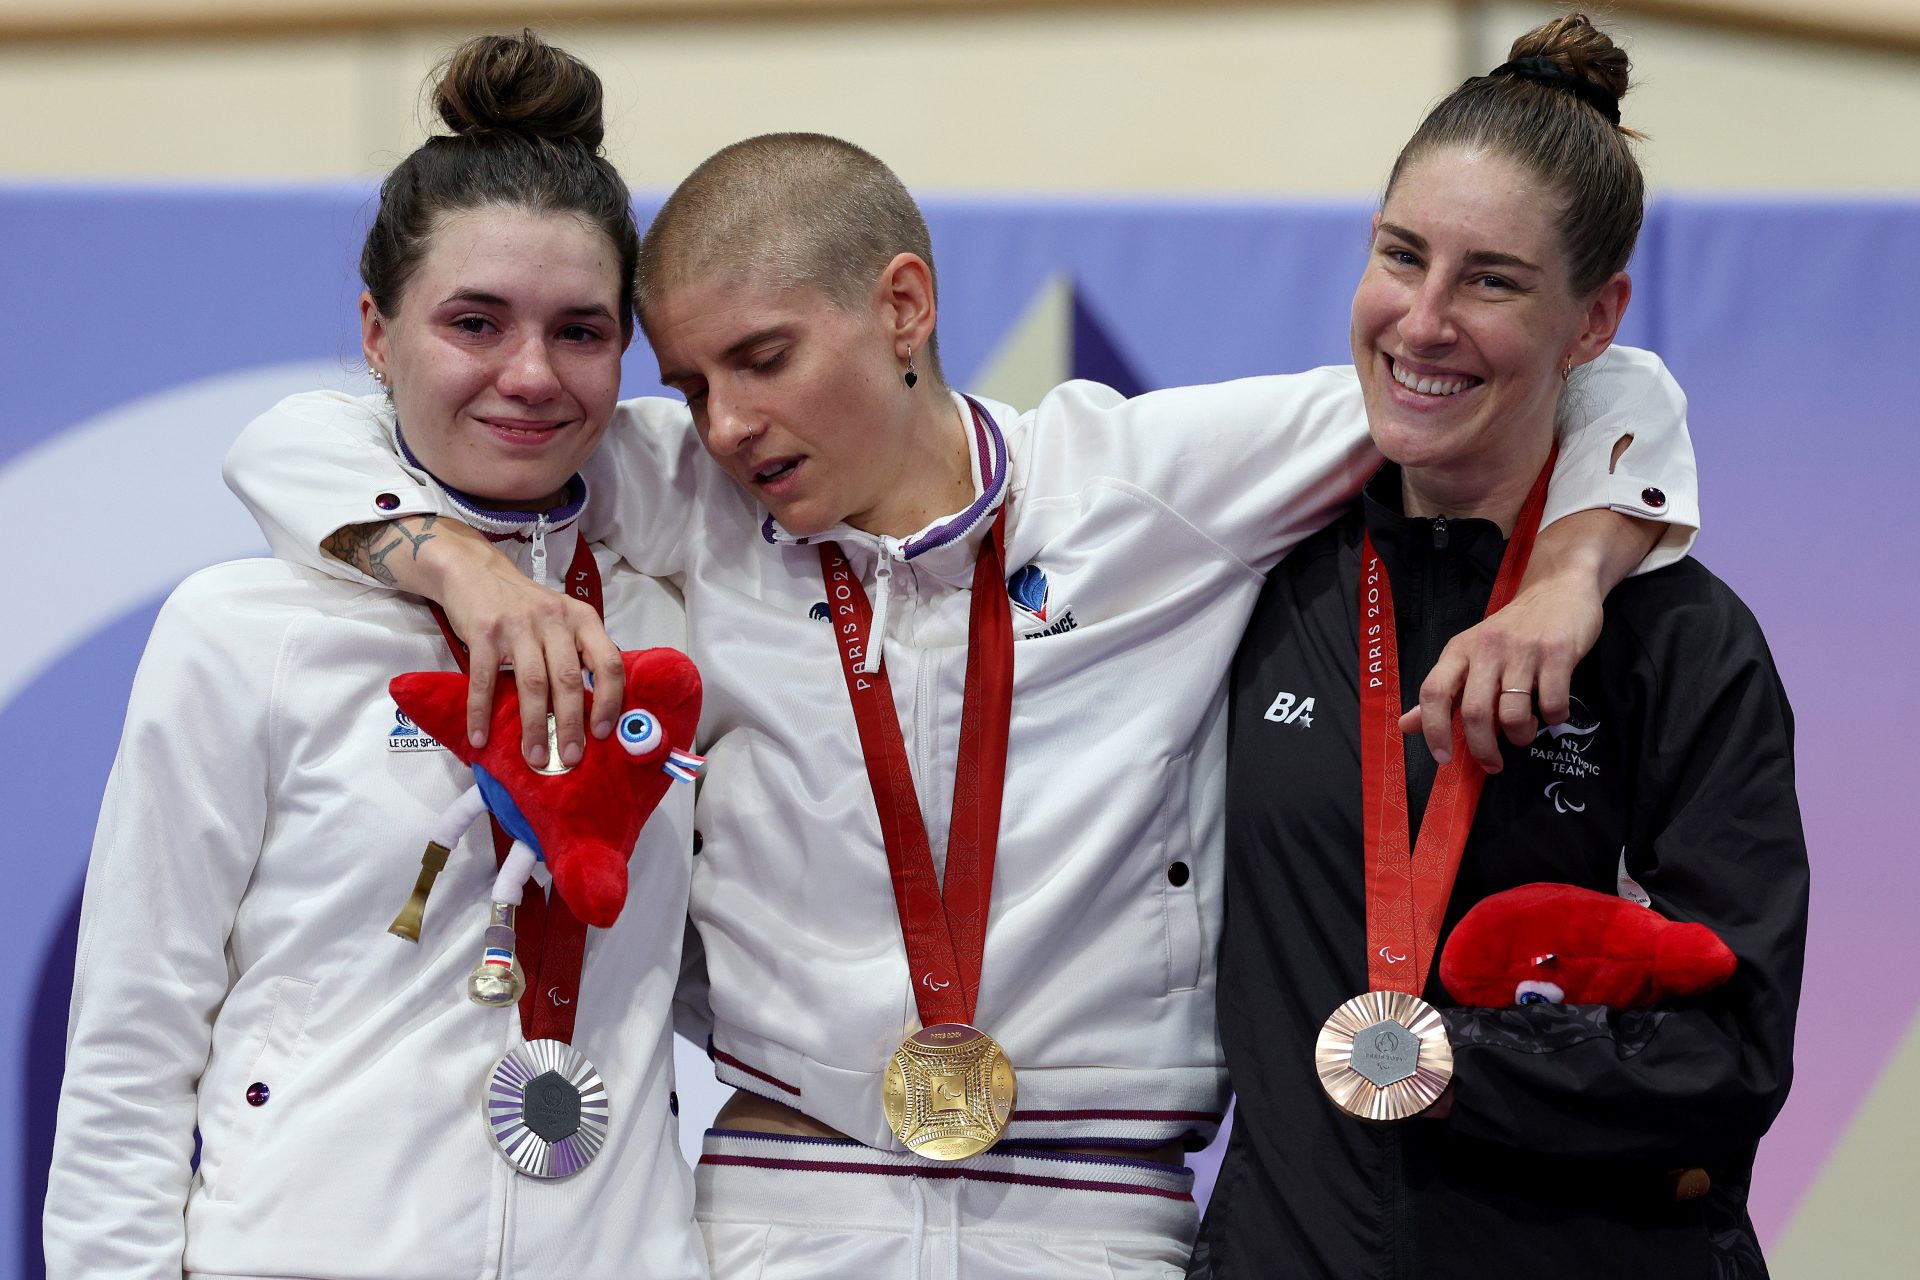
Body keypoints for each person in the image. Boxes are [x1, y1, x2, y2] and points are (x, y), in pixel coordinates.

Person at [220, 131, 1700, 1275]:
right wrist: (455, 565)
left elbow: (1587, 377)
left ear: (904, 304)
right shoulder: (689, 494)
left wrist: (1569, 579)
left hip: (1097, 1218)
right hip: (779, 1210)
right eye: (693, 378)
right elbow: (307, 433)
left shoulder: (1152, 482)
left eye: (765, 360)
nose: (726, 421)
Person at [44, 32, 707, 1280]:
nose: (530, 373)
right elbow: (134, 1033)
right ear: (373, 331)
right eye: (474, 320)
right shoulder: (244, 630)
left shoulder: (674, 616)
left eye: (581, 330)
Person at [1195, 15, 1807, 1278]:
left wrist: (1451, 1063)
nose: (1421, 321)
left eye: (1491, 279)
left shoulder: (1678, 639)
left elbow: (1734, 1047)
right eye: (1400, 256)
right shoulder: (1261, 579)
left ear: (1594, 323)